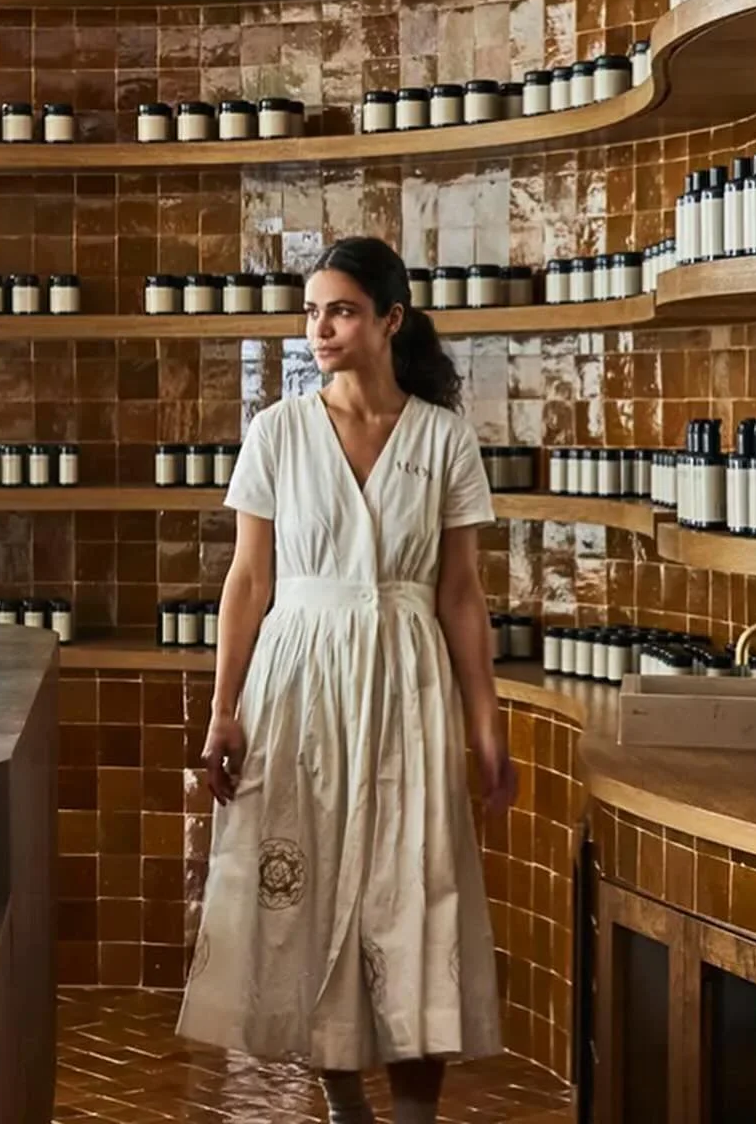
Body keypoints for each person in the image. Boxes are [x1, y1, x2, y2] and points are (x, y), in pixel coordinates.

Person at [177, 236, 518, 1124]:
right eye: (313, 310)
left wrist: (487, 723)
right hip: (298, 685)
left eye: (341, 310)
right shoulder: (278, 433)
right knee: (309, 893)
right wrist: (223, 712)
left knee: (417, 899)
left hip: (407, 681)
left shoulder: (443, 439)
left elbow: (462, 594)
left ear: (389, 320)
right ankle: (344, 1109)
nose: (320, 328)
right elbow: (248, 581)